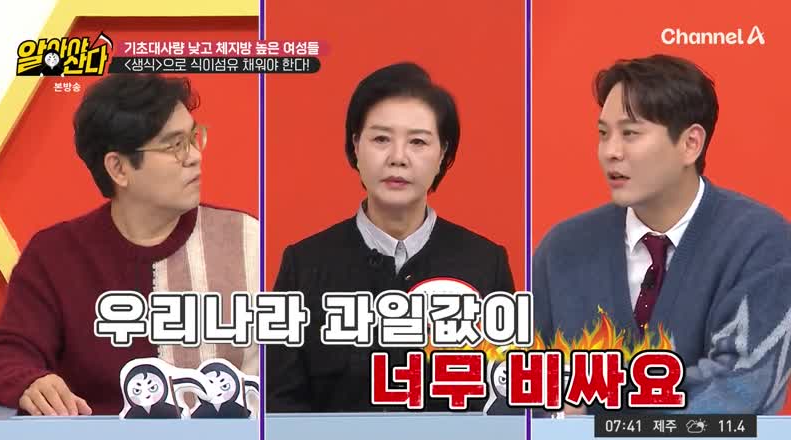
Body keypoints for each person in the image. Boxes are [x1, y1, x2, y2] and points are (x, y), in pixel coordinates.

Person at [533, 54, 791, 414]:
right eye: (603, 134)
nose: (611, 152)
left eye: (630, 133)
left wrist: (590, 413)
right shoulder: (562, 249)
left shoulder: (761, 242)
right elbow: (522, 386)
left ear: (690, 143)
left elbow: (743, 389)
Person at [0, 74, 260, 416]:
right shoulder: (55, 256)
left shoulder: (242, 239)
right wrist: (31, 381)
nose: (194, 156)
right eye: (174, 145)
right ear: (118, 168)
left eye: (193, 138)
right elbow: (10, 353)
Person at [266, 62, 516, 412]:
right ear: (356, 145)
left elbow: (503, 399)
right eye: (381, 139)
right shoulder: (304, 265)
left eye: (418, 142)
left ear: (442, 154)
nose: (398, 158)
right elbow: (280, 405)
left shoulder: (485, 264)